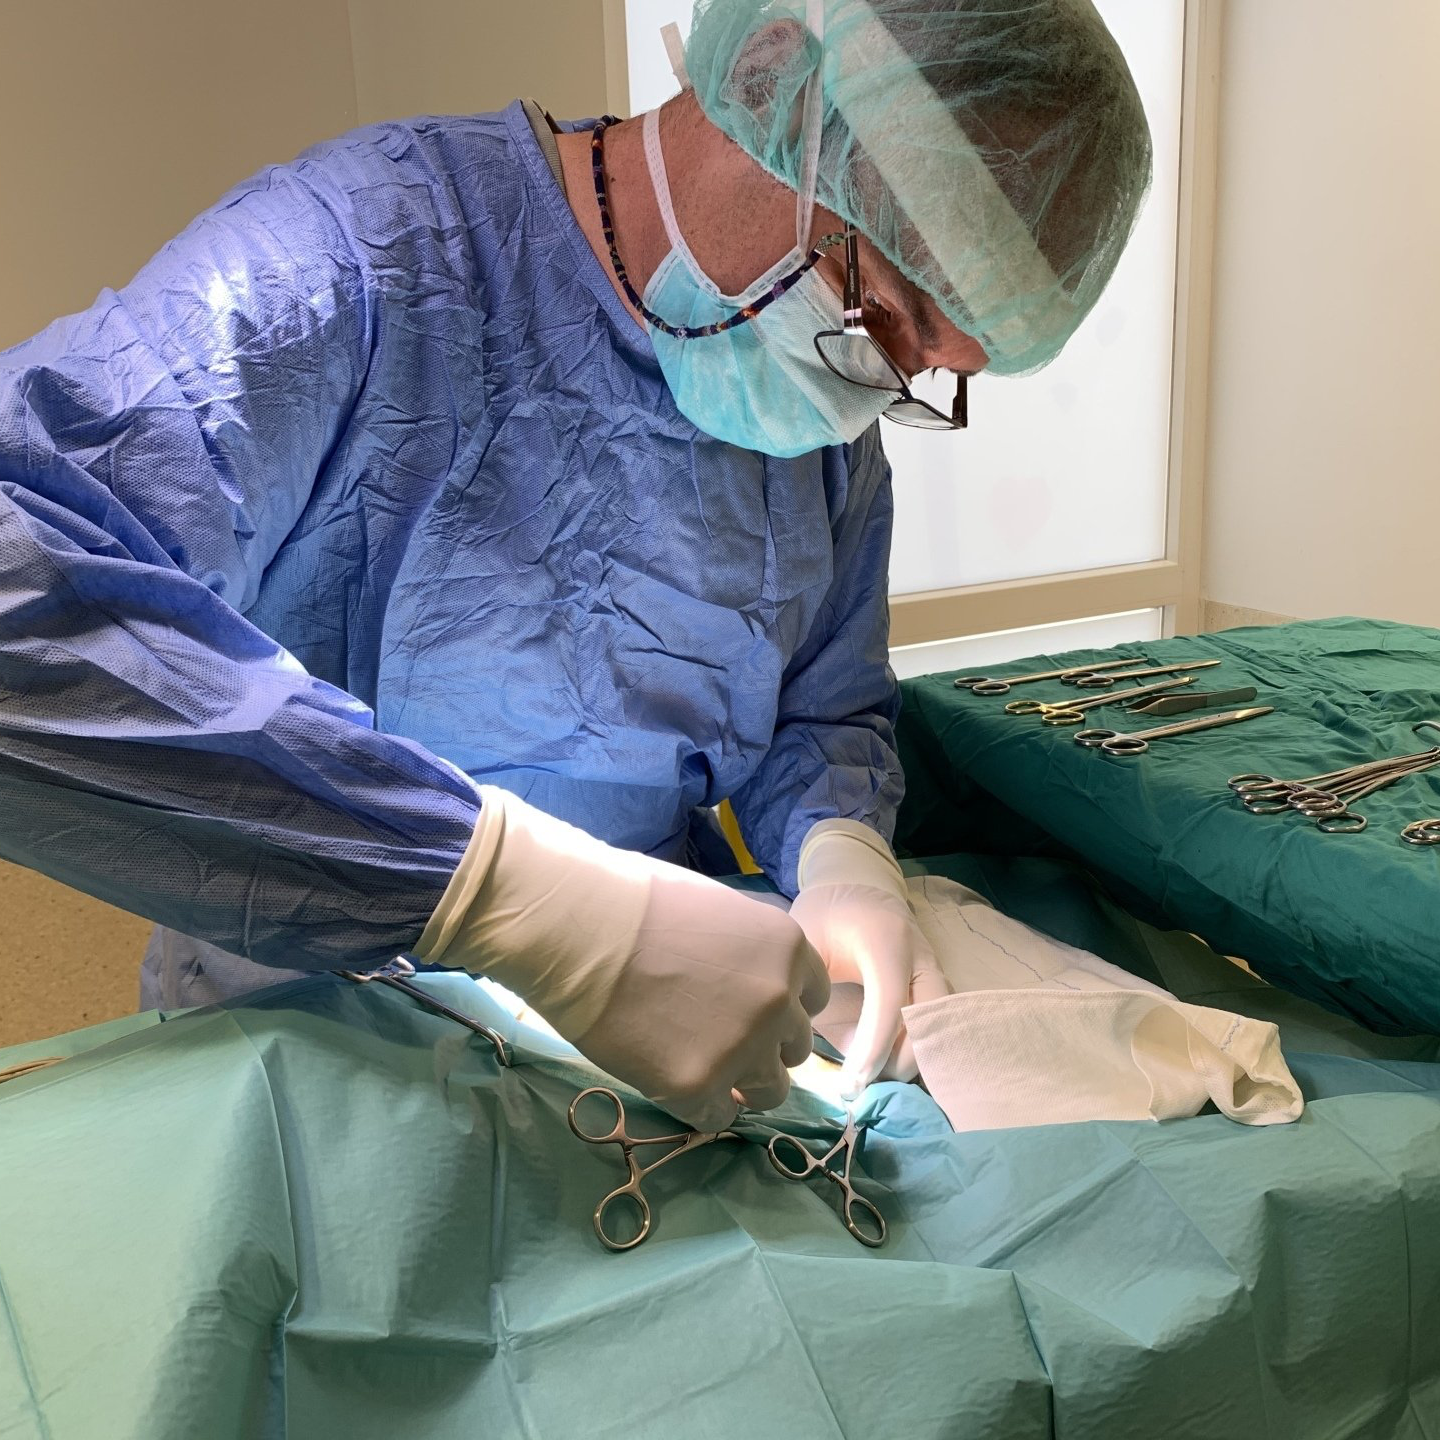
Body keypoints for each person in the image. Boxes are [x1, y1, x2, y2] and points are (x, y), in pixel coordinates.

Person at [0, 0, 1151, 1129]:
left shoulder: (814, 417)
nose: (870, 382)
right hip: (312, 1033)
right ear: (771, 78)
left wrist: (840, 854)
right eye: (881, 314)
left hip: (654, 1049)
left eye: (929, 368)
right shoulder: (356, 256)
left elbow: (823, 704)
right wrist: (523, 906)